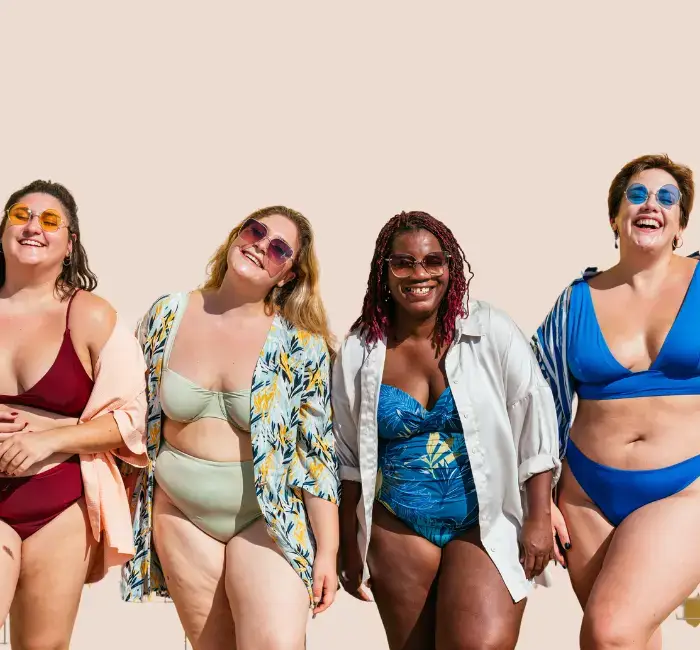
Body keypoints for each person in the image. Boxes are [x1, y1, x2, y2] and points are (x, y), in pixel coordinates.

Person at [333, 211, 561, 650]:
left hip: (484, 522)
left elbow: (534, 419)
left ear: (450, 269)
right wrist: (348, 543)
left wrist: (539, 516)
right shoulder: (360, 349)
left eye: (433, 261)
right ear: (384, 272)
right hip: (398, 526)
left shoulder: (489, 330)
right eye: (403, 263)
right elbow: (346, 459)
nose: (420, 274)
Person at [119, 206, 340, 650]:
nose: (260, 246)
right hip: (181, 514)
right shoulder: (168, 314)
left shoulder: (300, 344)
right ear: (235, 235)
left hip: (267, 517)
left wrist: (329, 553)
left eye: (278, 248)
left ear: (288, 274)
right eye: (255, 231)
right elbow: (128, 410)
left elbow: (314, 453)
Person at [532, 153, 700, 650]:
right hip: (586, 498)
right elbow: (535, 401)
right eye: (637, 195)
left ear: (680, 225)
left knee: (610, 631)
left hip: (683, 487)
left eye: (666, 197)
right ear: (615, 217)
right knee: (634, 640)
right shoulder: (575, 299)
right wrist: (539, 497)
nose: (651, 204)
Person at [0, 180, 148, 648]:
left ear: (70, 243)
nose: (32, 228)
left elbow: (132, 419)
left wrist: (50, 438)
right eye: (21, 216)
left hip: (59, 502)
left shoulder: (91, 317)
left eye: (49, 221)